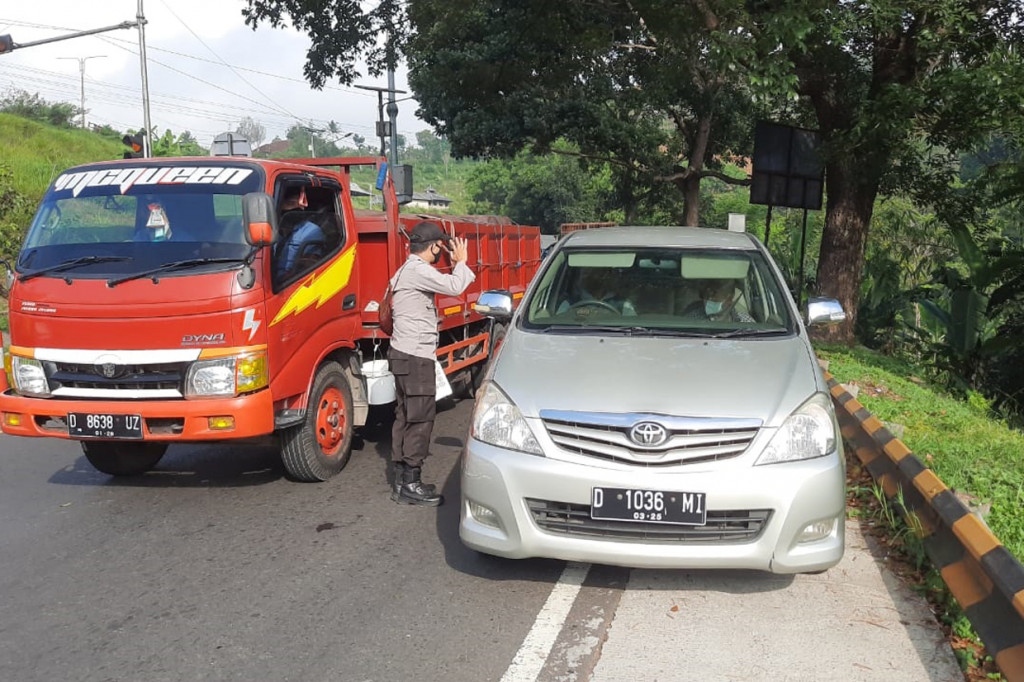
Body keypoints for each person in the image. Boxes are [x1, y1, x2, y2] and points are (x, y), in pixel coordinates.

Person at [388, 221, 475, 506]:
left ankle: (401, 480)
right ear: (435, 246)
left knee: (406, 416)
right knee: (421, 418)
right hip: (415, 357)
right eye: (442, 246)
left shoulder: (405, 270)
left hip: (402, 354)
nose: (444, 251)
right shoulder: (418, 270)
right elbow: (456, 286)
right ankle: (411, 482)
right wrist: (461, 262)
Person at [274, 186, 325, 280]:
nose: (296, 207)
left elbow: (309, 267)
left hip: (290, 282)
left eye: (298, 204)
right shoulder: (271, 227)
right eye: (289, 203)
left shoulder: (311, 231)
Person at [556, 267, 637, 316]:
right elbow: (557, 323)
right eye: (585, 273)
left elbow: (634, 327)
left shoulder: (622, 304)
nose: (587, 276)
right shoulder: (570, 303)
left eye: (599, 273)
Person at [682, 278, 754, 323]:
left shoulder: (746, 323)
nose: (709, 298)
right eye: (706, 294)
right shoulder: (692, 320)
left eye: (714, 294)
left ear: (729, 298)